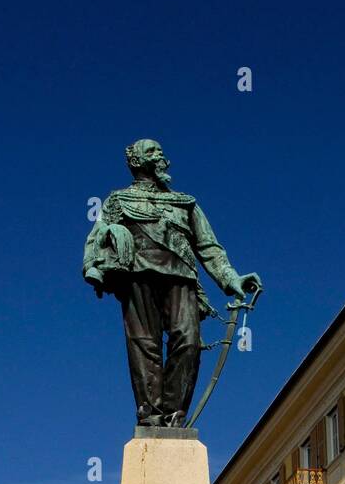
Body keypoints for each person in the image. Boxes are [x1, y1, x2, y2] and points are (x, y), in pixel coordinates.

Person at [83, 140, 261, 426]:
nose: (160, 156)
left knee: (188, 341)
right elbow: (97, 236)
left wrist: (231, 278)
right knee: (144, 344)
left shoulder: (185, 202)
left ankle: (174, 411)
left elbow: (208, 247)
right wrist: (101, 255)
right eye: (152, 152)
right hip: (138, 273)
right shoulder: (118, 201)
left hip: (181, 275)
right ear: (137, 161)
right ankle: (150, 413)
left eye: (160, 151)